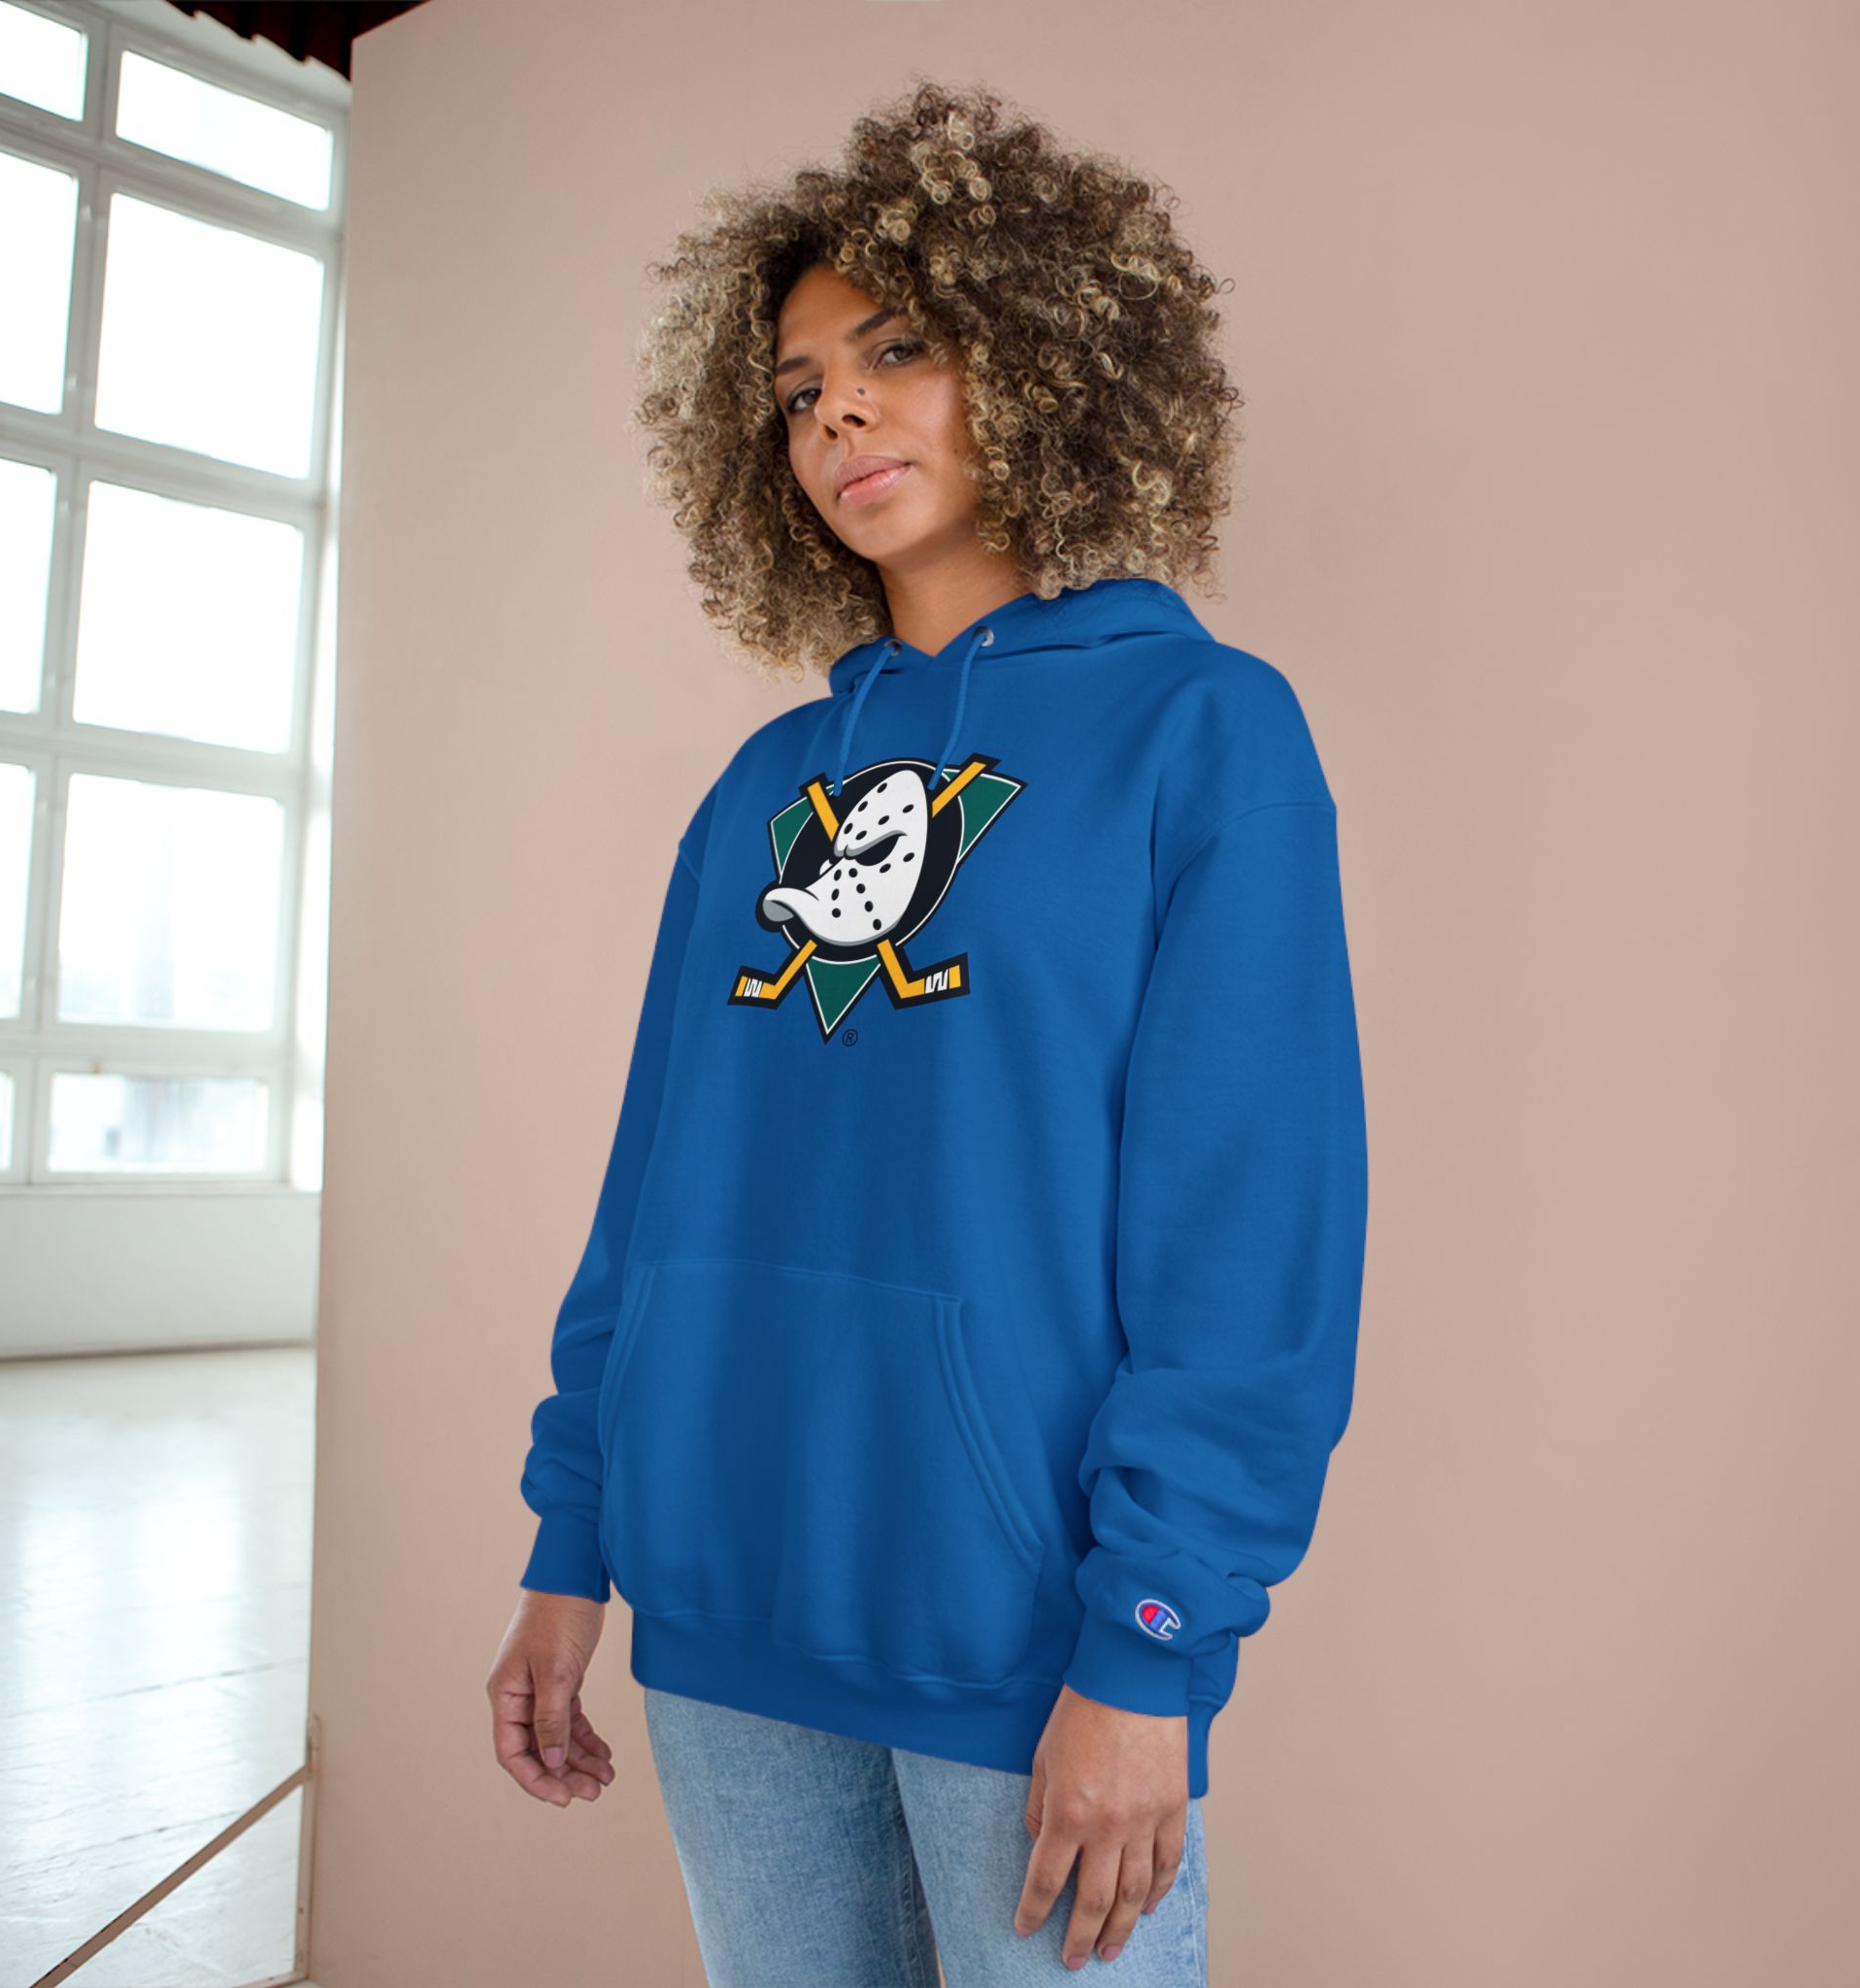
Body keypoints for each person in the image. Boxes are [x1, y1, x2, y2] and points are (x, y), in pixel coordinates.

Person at [486, 78, 1369, 1985]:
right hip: (718, 1619)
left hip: (1024, 1645)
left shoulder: (1202, 733)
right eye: (799, 387)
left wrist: (1151, 1641)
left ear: (1041, 360)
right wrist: (574, 1542)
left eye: (895, 351)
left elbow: (1249, 1233)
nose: (839, 415)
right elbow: (653, 1194)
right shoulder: (758, 790)